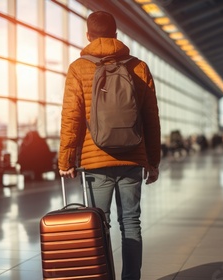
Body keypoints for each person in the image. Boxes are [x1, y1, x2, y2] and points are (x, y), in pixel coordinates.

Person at [58, 11, 161, 280]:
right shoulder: (138, 67)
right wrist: (153, 161)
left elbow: (71, 117)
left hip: (95, 162)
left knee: (98, 225)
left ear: (88, 36)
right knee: (130, 223)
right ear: (117, 36)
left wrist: (66, 161)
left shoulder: (78, 68)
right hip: (132, 158)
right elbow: (151, 118)